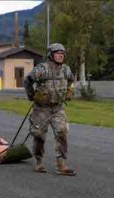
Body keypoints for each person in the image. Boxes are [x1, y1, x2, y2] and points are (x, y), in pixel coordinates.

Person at [24, 43, 76, 176]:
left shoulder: (66, 70)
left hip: (58, 108)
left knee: (62, 133)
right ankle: (39, 162)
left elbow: (71, 81)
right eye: (58, 53)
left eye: (62, 53)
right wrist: (31, 96)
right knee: (39, 135)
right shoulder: (42, 69)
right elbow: (28, 80)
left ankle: (61, 165)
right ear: (51, 55)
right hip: (41, 109)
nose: (60, 55)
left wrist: (70, 90)